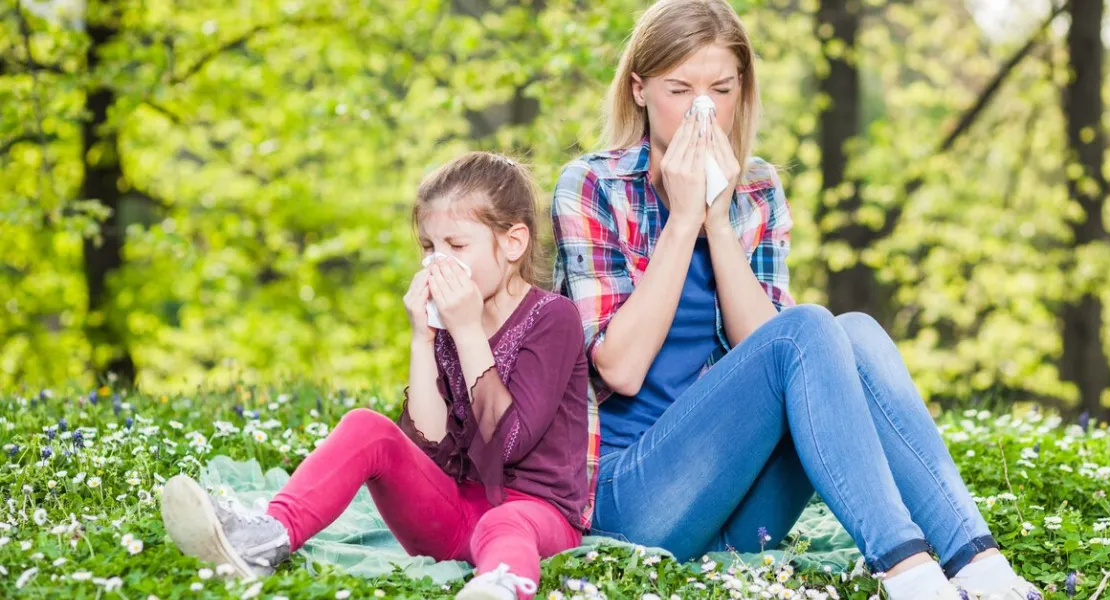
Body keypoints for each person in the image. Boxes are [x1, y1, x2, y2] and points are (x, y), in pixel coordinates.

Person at [550, 2, 1042, 598]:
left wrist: (717, 220)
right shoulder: (594, 185)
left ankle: (979, 563)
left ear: (741, 91)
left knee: (853, 332)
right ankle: (909, 572)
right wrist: (682, 221)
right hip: (634, 502)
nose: (702, 110)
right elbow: (619, 369)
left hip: (737, 507)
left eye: (720, 90)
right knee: (808, 325)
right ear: (640, 91)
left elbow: (778, 354)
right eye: (679, 90)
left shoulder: (756, 187)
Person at [162, 152, 591, 600]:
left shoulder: (552, 318)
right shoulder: (449, 324)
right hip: (453, 518)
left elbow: (506, 444)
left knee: (504, 522)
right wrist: (423, 339)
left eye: (456, 246)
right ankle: (265, 539)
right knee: (366, 425)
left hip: (536, 517)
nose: (437, 263)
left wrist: (466, 330)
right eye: (429, 248)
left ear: (513, 243)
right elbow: (429, 447)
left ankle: (500, 586)